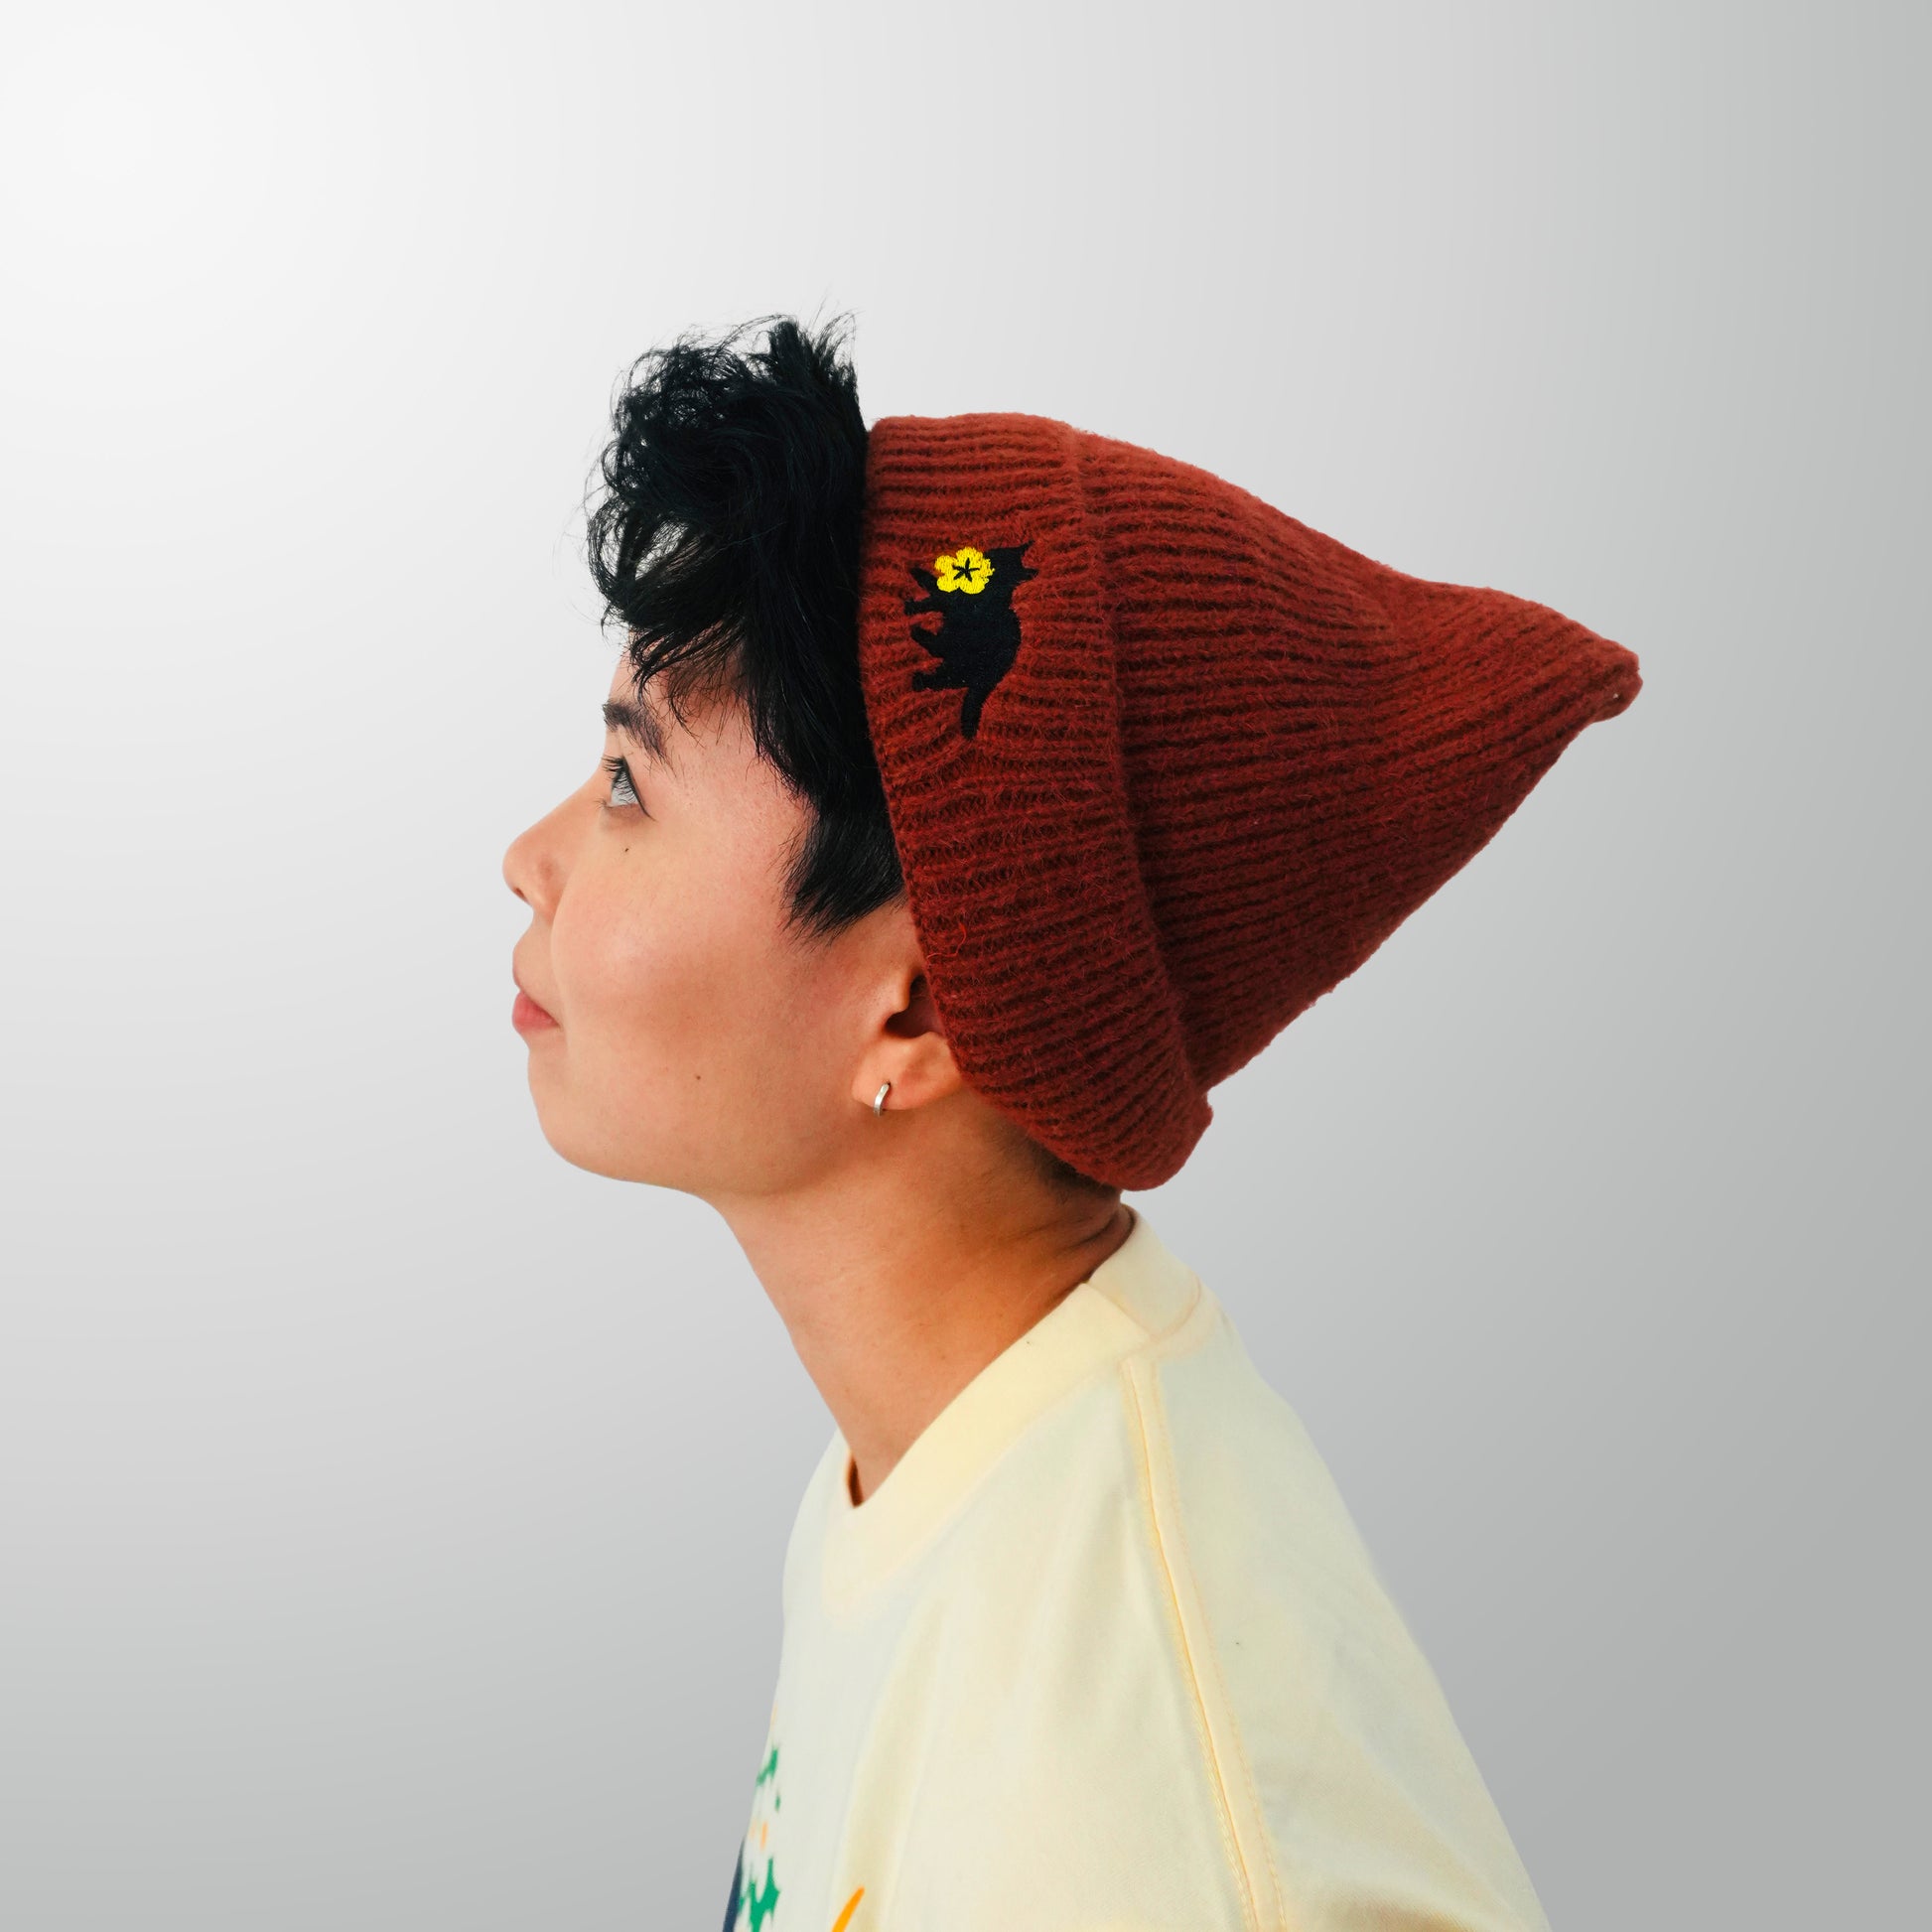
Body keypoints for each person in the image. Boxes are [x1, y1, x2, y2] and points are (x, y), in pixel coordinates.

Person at [501, 316, 1640, 1932]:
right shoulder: (935, 1468)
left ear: (916, 1009)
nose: (528, 856)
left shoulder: (1110, 1797)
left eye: (630, 782)